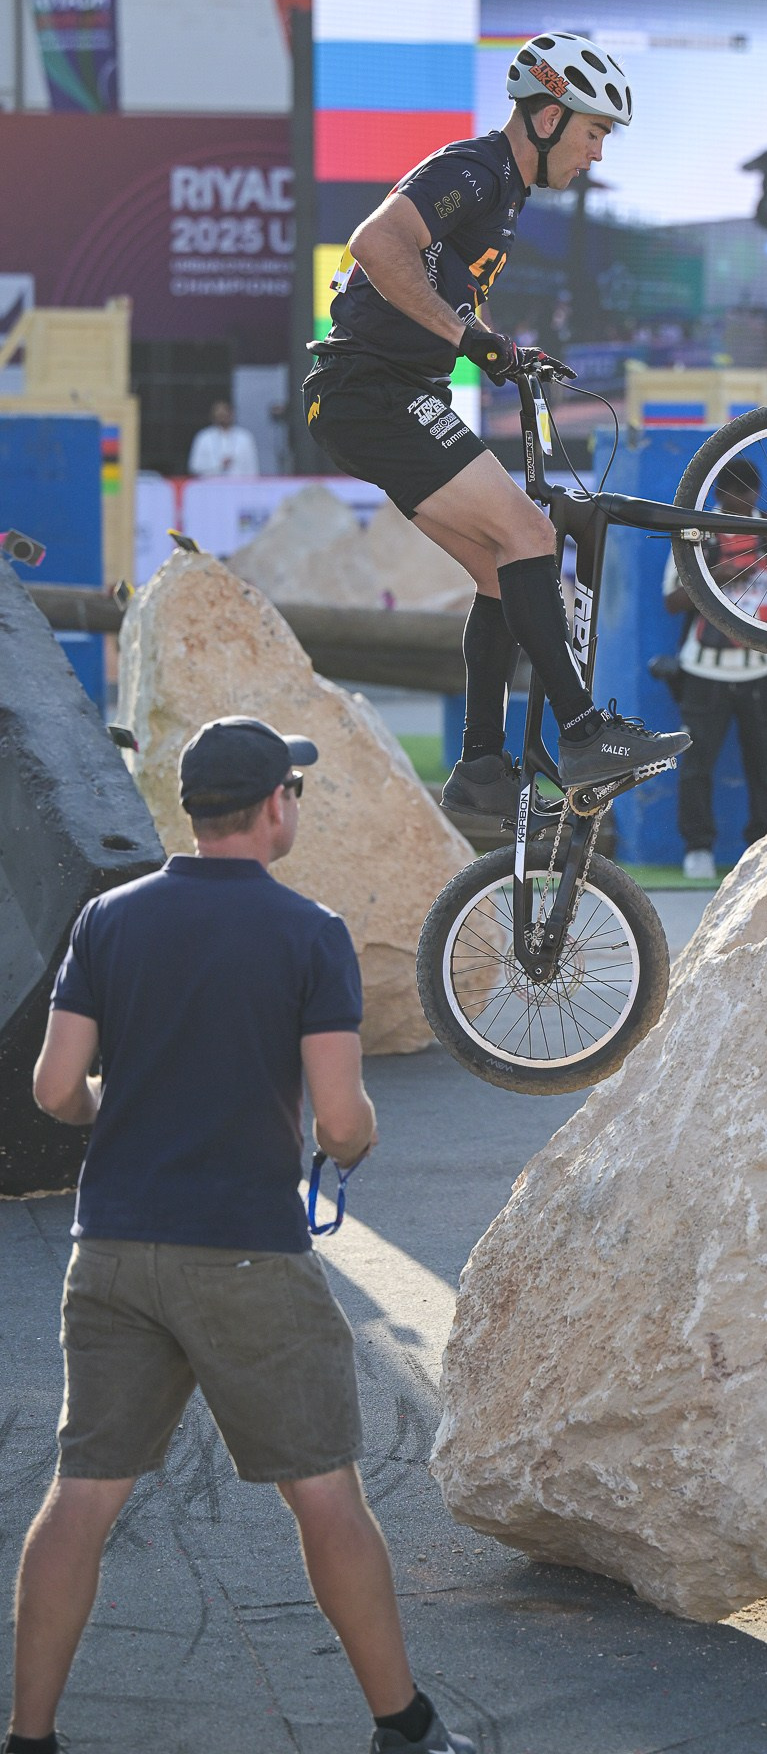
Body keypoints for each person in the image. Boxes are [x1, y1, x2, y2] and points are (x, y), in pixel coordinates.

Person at [4, 718, 474, 1754]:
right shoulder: (310, 932)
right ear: (274, 807)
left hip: (112, 1246)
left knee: (80, 1495)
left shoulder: (109, 919)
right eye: (293, 791)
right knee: (325, 1495)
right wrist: (353, 1142)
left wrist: (110, 1108)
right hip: (248, 1250)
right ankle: (406, 1728)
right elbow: (342, 1117)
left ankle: (28, 1736)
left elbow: (52, 1088)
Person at [301, 32, 688, 824]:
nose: (596, 156)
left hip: (382, 393)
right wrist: (468, 339)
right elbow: (378, 245)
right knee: (531, 535)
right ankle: (582, 733)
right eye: (592, 134)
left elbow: (439, 286)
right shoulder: (474, 171)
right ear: (546, 117)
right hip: (370, 390)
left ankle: (481, 770)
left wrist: (501, 349)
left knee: (499, 569)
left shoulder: (503, 193)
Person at [661, 457, 767, 880]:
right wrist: (717, 573)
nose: (744, 505)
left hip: (765, 667)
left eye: (750, 496)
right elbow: (672, 600)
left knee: (764, 765)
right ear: (720, 495)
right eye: (735, 497)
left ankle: (762, 847)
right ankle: (698, 848)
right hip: (705, 669)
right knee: (695, 763)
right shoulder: (697, 531)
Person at [187, 398, 260, 479]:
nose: (223, 417)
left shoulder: (244, 437)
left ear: (232, 414)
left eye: (225, 414)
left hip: (239, 487)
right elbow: (195, 467)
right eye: (219, 414)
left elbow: (252, 468)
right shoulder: (204, 437)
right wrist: (219, 465)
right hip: (210, 486)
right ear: (213, 416)